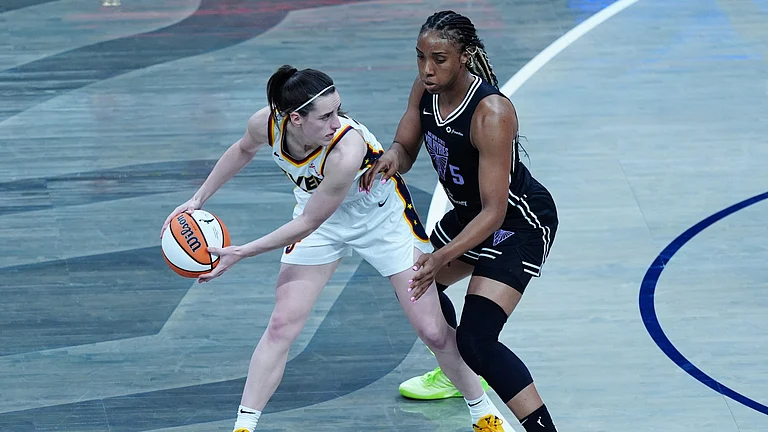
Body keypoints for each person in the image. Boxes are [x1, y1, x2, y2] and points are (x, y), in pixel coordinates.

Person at [160, 65, 508, 432]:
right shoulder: (266, 124)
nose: (336, 121)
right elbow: (242, 151)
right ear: (294, 118)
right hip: (319, 218)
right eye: (325, 116)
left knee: (434, 332)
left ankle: (483, 413)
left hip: (380, 219)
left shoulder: (348, 147)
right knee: (281, 325)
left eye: (338, 110)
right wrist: (197, 199)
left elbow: (309, 222)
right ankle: (244, 427)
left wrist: (242, 251)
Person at [361, 10, 559, 432]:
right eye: (420, 58)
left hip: (516, 222)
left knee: (477, 339)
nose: (426, 70)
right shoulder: (425, 90)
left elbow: (495, 211)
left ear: (465, 57)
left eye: (439, 59)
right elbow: (406, 145)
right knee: (418, 292)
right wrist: (390, 160)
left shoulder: (491, 114)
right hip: (469, 214)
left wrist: (441, 256)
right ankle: (456, 374)